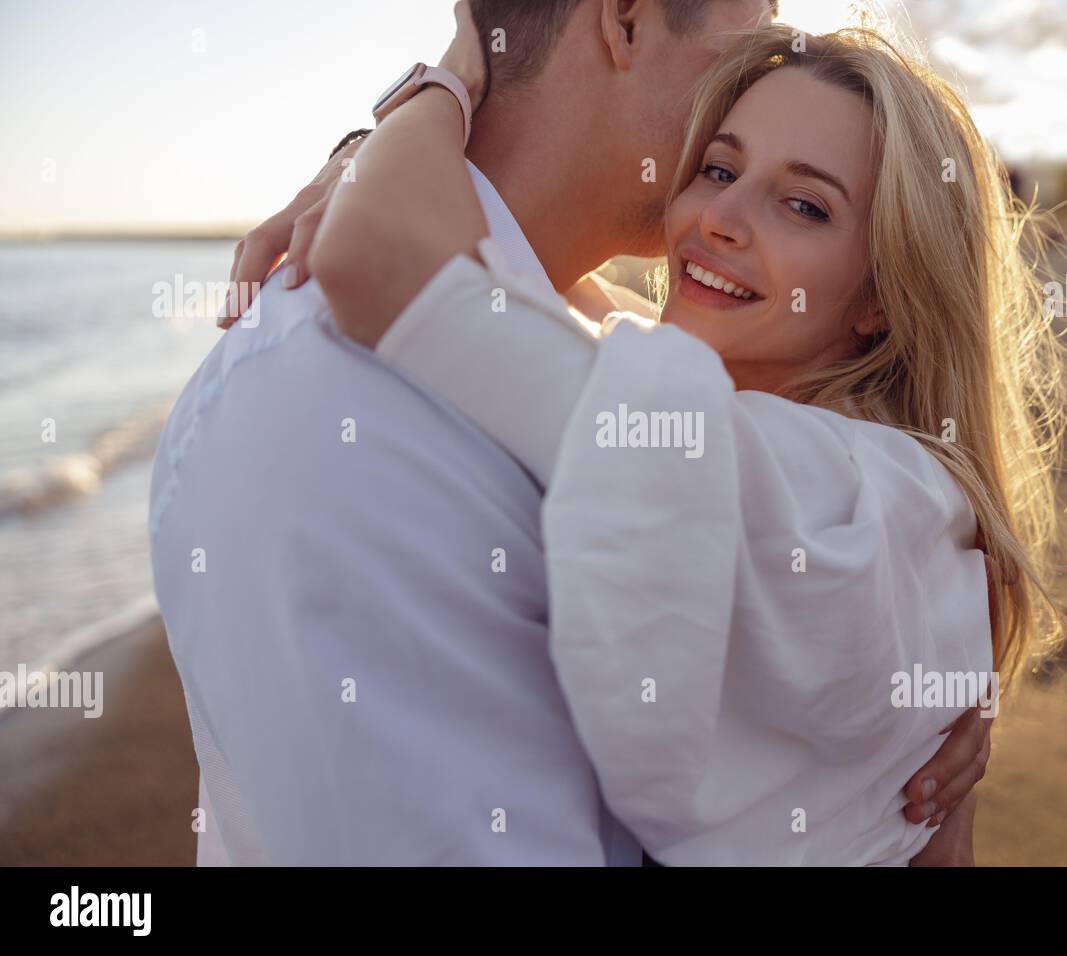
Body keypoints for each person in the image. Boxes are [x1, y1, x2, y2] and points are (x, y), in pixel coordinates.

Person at [151, 0, 990, 866]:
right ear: (624, 21)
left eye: (806, 205)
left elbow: (410, 276)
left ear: (883, 291)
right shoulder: (357, 410)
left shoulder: (846, 491)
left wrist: (431, 96)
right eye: (718, 166)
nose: (722, 217)